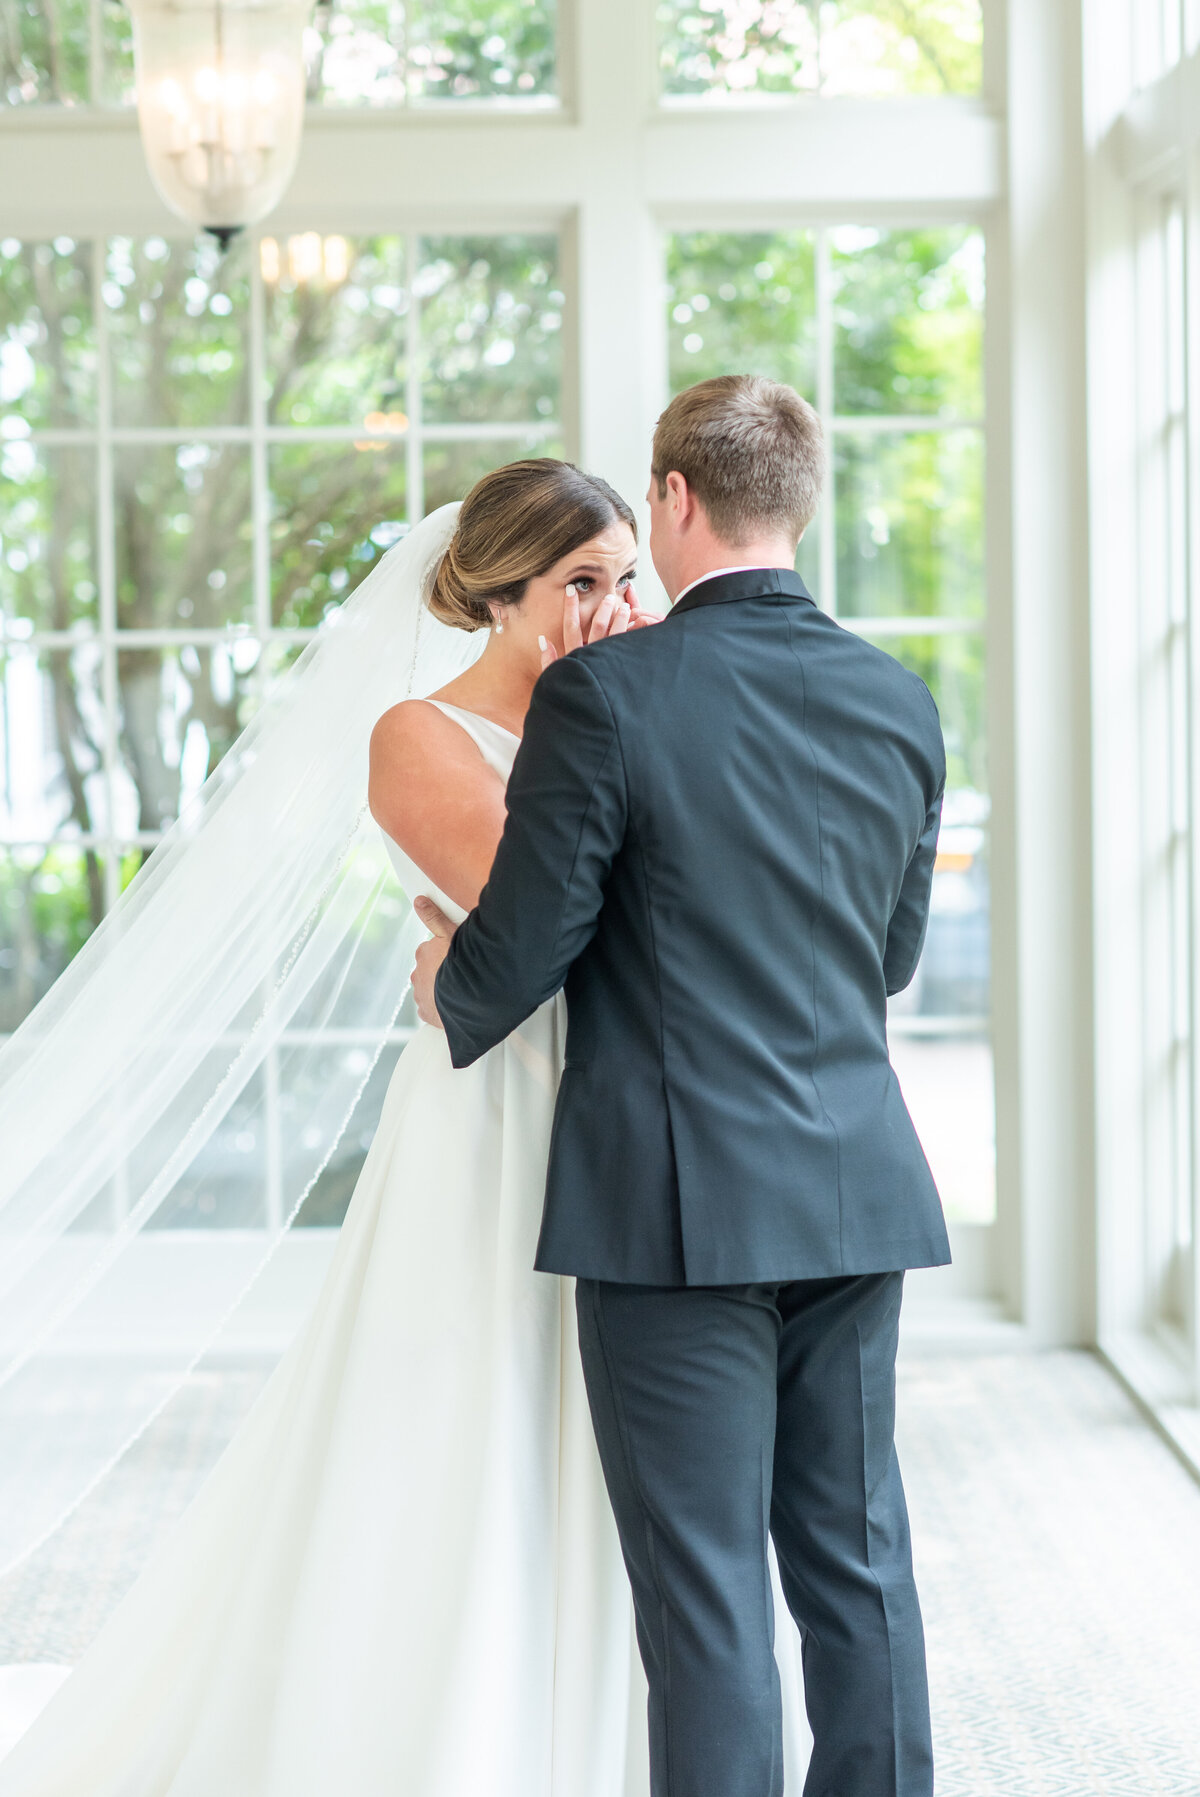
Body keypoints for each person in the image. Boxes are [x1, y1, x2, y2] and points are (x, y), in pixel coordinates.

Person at [0, 461, 823, 1797]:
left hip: (632, 1121)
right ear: (497, 593)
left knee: (648, 1470)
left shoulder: (629, 709)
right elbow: (559, 928)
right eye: (581, 584)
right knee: (477, 1427)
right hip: (496, 1124)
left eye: (627, 577)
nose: (619, 607)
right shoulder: (418, 736)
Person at [412, 375, 950, 1797]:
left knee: (707, 1598)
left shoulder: (605, 694)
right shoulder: (899, 699)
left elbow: (527, 939)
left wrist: (444, 988)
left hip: (673, 1215)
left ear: (670, 501)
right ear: (801, 503)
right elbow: (884, 957)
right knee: (859, 1565)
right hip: (855, 1186)